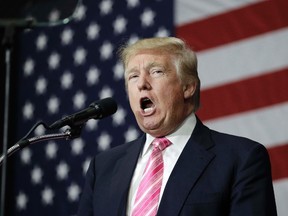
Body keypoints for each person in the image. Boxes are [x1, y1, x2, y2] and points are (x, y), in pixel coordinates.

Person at [77, 37, 277, 216]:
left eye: (156, 71)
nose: (142, 84)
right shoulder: (103, 167)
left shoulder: (241, 158)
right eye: (133, 76)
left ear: (188, 87)